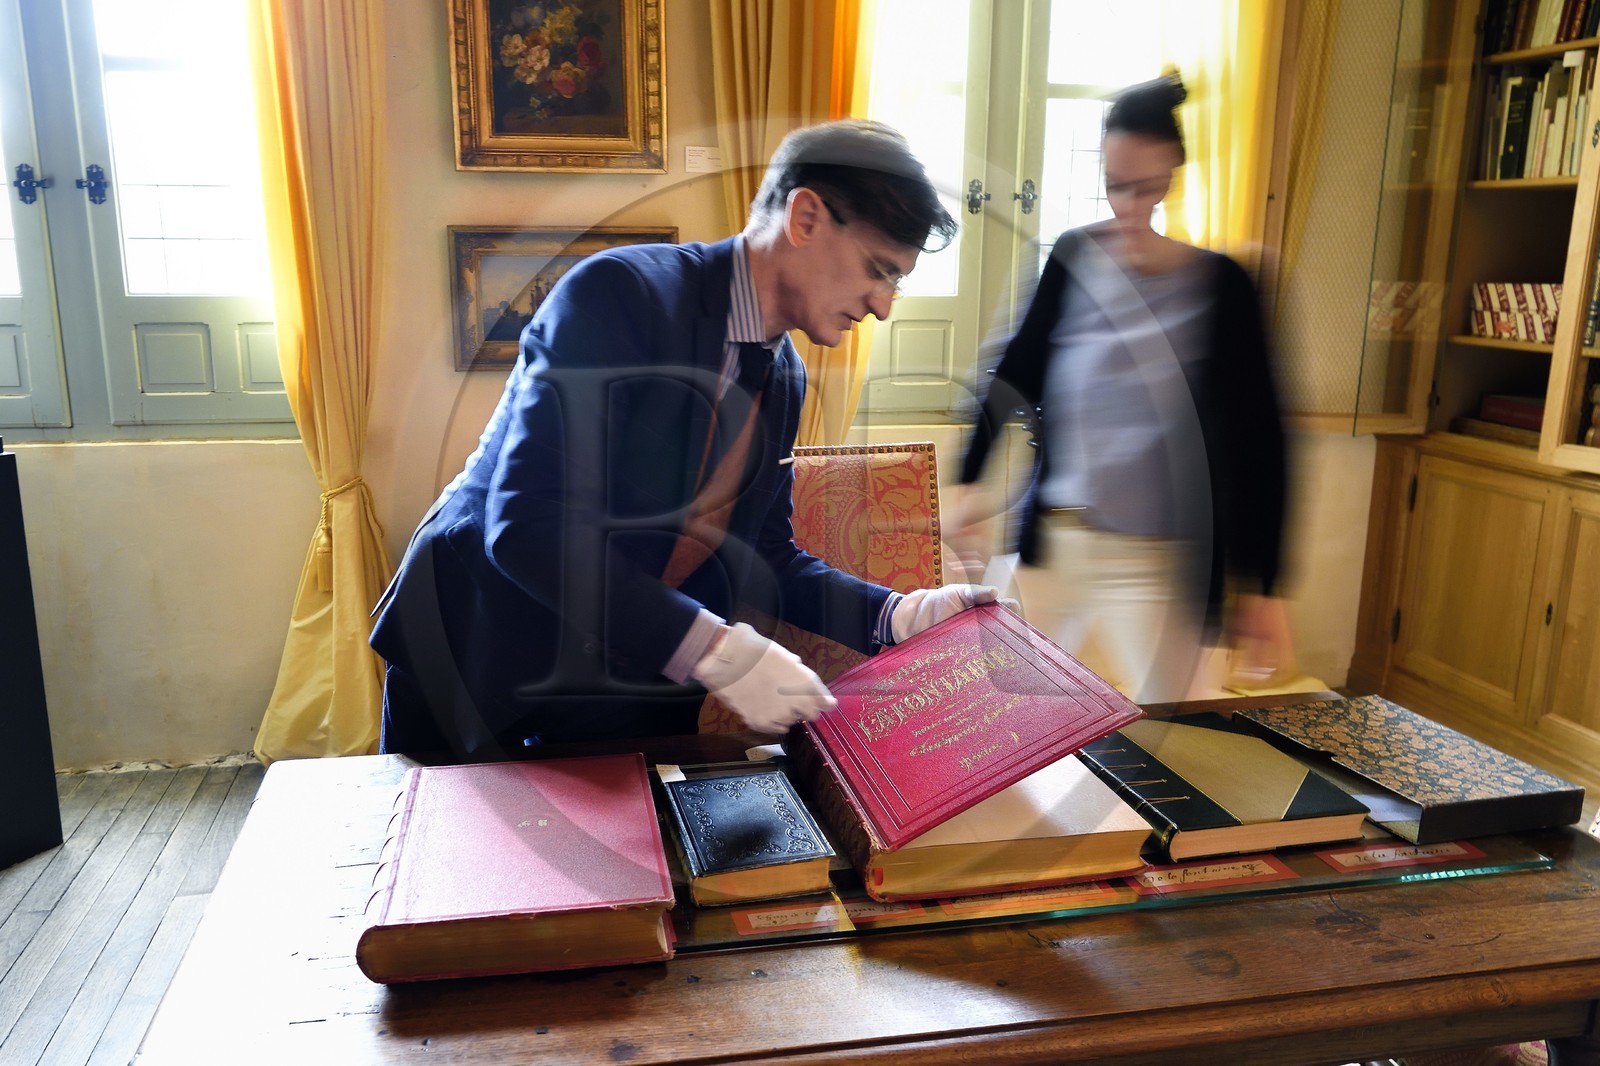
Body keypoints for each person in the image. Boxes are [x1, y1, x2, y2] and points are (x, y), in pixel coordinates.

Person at [372, 119, 998, 757]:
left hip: (622, 678)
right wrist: (716, 651)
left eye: (896, 282)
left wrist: (898, 615)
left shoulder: (784, 374)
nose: (883, 305)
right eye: (878, 270)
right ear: (805, 217)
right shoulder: (621, 294)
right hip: (480, 644)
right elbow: (530, 526)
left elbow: (767, 555)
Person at [952, 75, 1289, 705]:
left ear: (1172, 175)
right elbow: (1013, 372)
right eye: (1115, 187)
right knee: (1004, 723)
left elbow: (1261, 444)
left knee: (1185, 738)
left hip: (1163, 564)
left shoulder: (1224, 287)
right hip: (1058, 545)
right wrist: (970, 482)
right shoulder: (1073, 259)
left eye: (1146, 188)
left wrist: (1264, 588)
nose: (1129, 207)